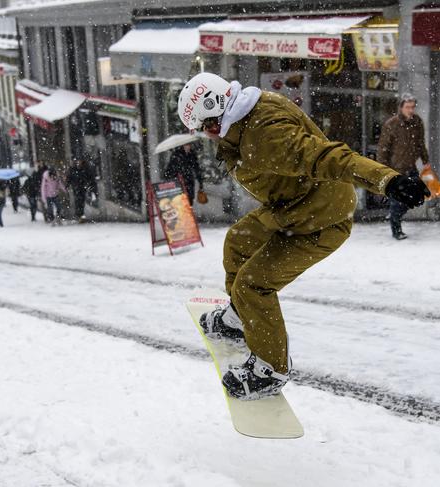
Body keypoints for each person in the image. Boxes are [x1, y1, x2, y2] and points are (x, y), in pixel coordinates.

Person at [177, 72, 429, 400]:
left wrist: (387, 181)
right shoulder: (252, 109)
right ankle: (240, 317)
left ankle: (269, 369)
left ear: (214, 121)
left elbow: (328, 157)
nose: (207, 137)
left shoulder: (264, 137)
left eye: (203, 129)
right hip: (293, 205)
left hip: (322, 218)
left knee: (253, 284)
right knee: (239, 241)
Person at [377, 93, 431, 240]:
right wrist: (384, 170)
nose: (411, 110)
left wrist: (425, 160)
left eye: (413, 107)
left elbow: (420, 143)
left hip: (411, 167)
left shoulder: (417, 122)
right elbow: (383, 149)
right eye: (407, 107)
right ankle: (396, 230)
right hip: (396, 169)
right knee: (398, 201)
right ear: (401, 107)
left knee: (414, 197)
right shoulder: (391, 124)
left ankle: (394, 215)